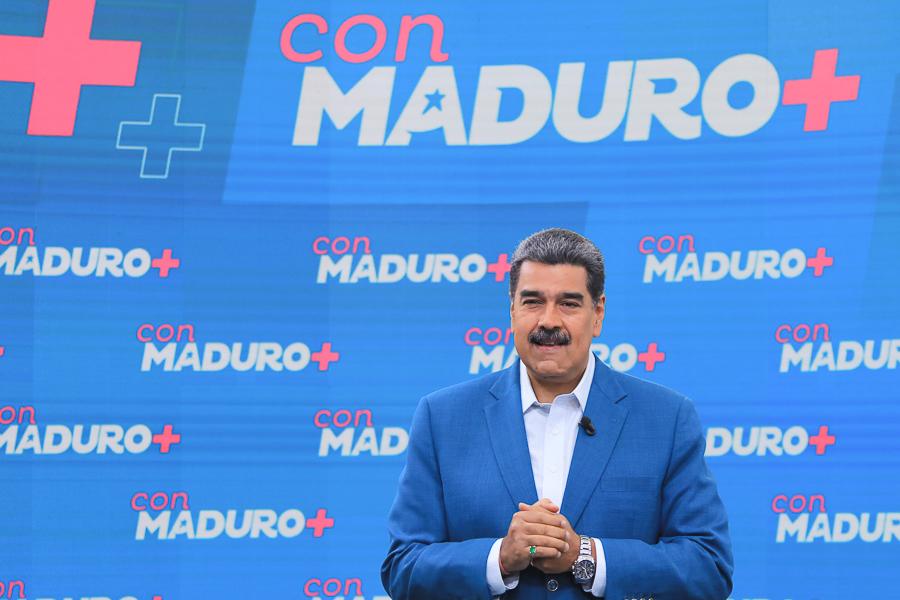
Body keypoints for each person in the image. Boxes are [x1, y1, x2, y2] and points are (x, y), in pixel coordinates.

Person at [381, 228, 733, 599]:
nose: (549, 321)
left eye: (568, 303)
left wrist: (585, 555)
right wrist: (499, 558)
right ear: (512, 310)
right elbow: (403, 567)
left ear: (597, 314)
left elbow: (708, 566)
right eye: (533, 302)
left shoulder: (667, 419)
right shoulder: (442, 419)